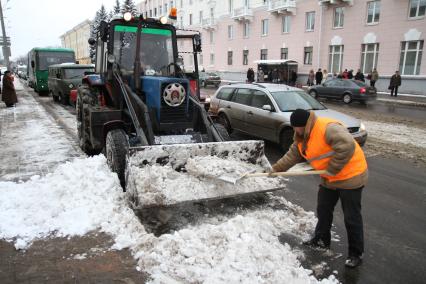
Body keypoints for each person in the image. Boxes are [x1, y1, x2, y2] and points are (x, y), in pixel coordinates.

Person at [271, 109, 368, 268]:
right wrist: (276, 169)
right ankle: (321, 239)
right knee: (323, 209)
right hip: (330, 178)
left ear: (305, 125)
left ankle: (356, 253)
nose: (295, 131)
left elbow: (347, 146)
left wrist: (332, 168)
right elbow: (292, 155)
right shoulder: (302, 136)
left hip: (351, 176)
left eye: (297, 128)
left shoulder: (327, 128)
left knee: (351, 217)